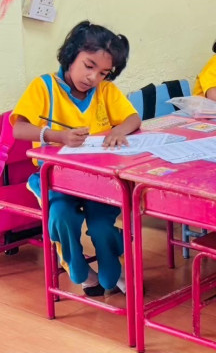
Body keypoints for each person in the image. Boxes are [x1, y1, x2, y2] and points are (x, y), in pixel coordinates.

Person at [11, 21, 141, 296]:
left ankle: (112, 265)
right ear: (71, 54)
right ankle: (78, 268)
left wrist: (118, 130)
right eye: (89, 65)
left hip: (97, 179)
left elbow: (133, 118)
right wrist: (57, 136)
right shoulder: (44, 86)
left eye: (103, 73)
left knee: (102, 223)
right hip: (55, 178)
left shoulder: (105, 92)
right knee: (61, 218)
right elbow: (18, 129)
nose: (93, 77)